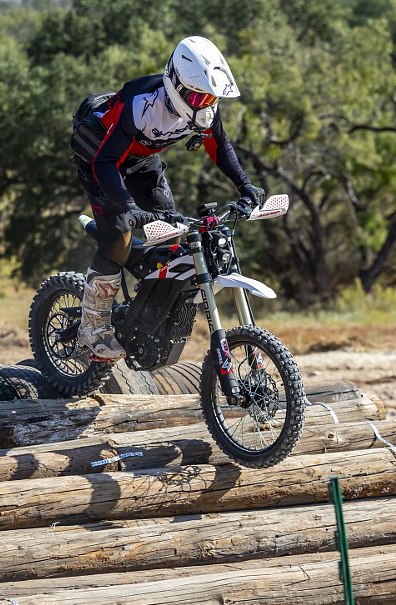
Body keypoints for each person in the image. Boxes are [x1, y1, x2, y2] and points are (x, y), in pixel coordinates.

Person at [70, 35, 264, 361]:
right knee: (116, 239)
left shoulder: (205, 108)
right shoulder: (141, 103)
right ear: (177, 84)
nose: (205, 104)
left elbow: (221, 149)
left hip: (144, 163)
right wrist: (126, 207)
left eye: (210, 98)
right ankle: (92, 330)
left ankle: (144, 315)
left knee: (172, 237)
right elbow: (105, 161)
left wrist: (246, 186)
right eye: (199, 96)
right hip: (101, 160)